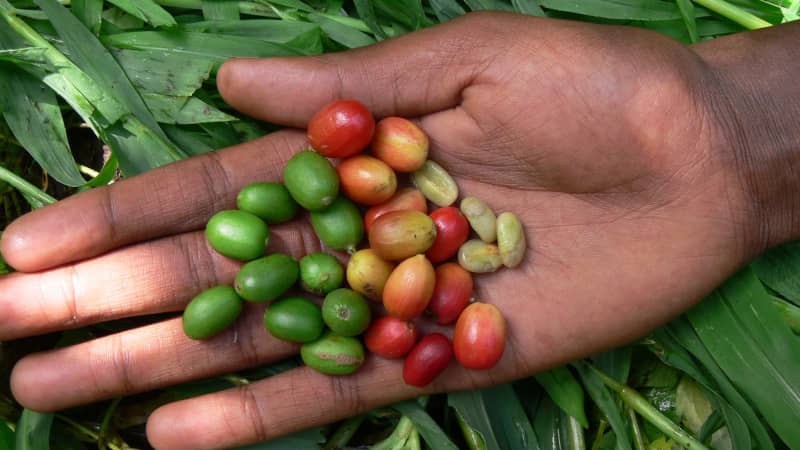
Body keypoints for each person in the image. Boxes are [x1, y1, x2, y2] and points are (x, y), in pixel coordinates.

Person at [1, 11, 798, 450]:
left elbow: (401, 247)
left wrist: (722, 130)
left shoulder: (407, 232)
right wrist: (733, 125)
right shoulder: (380, 239)